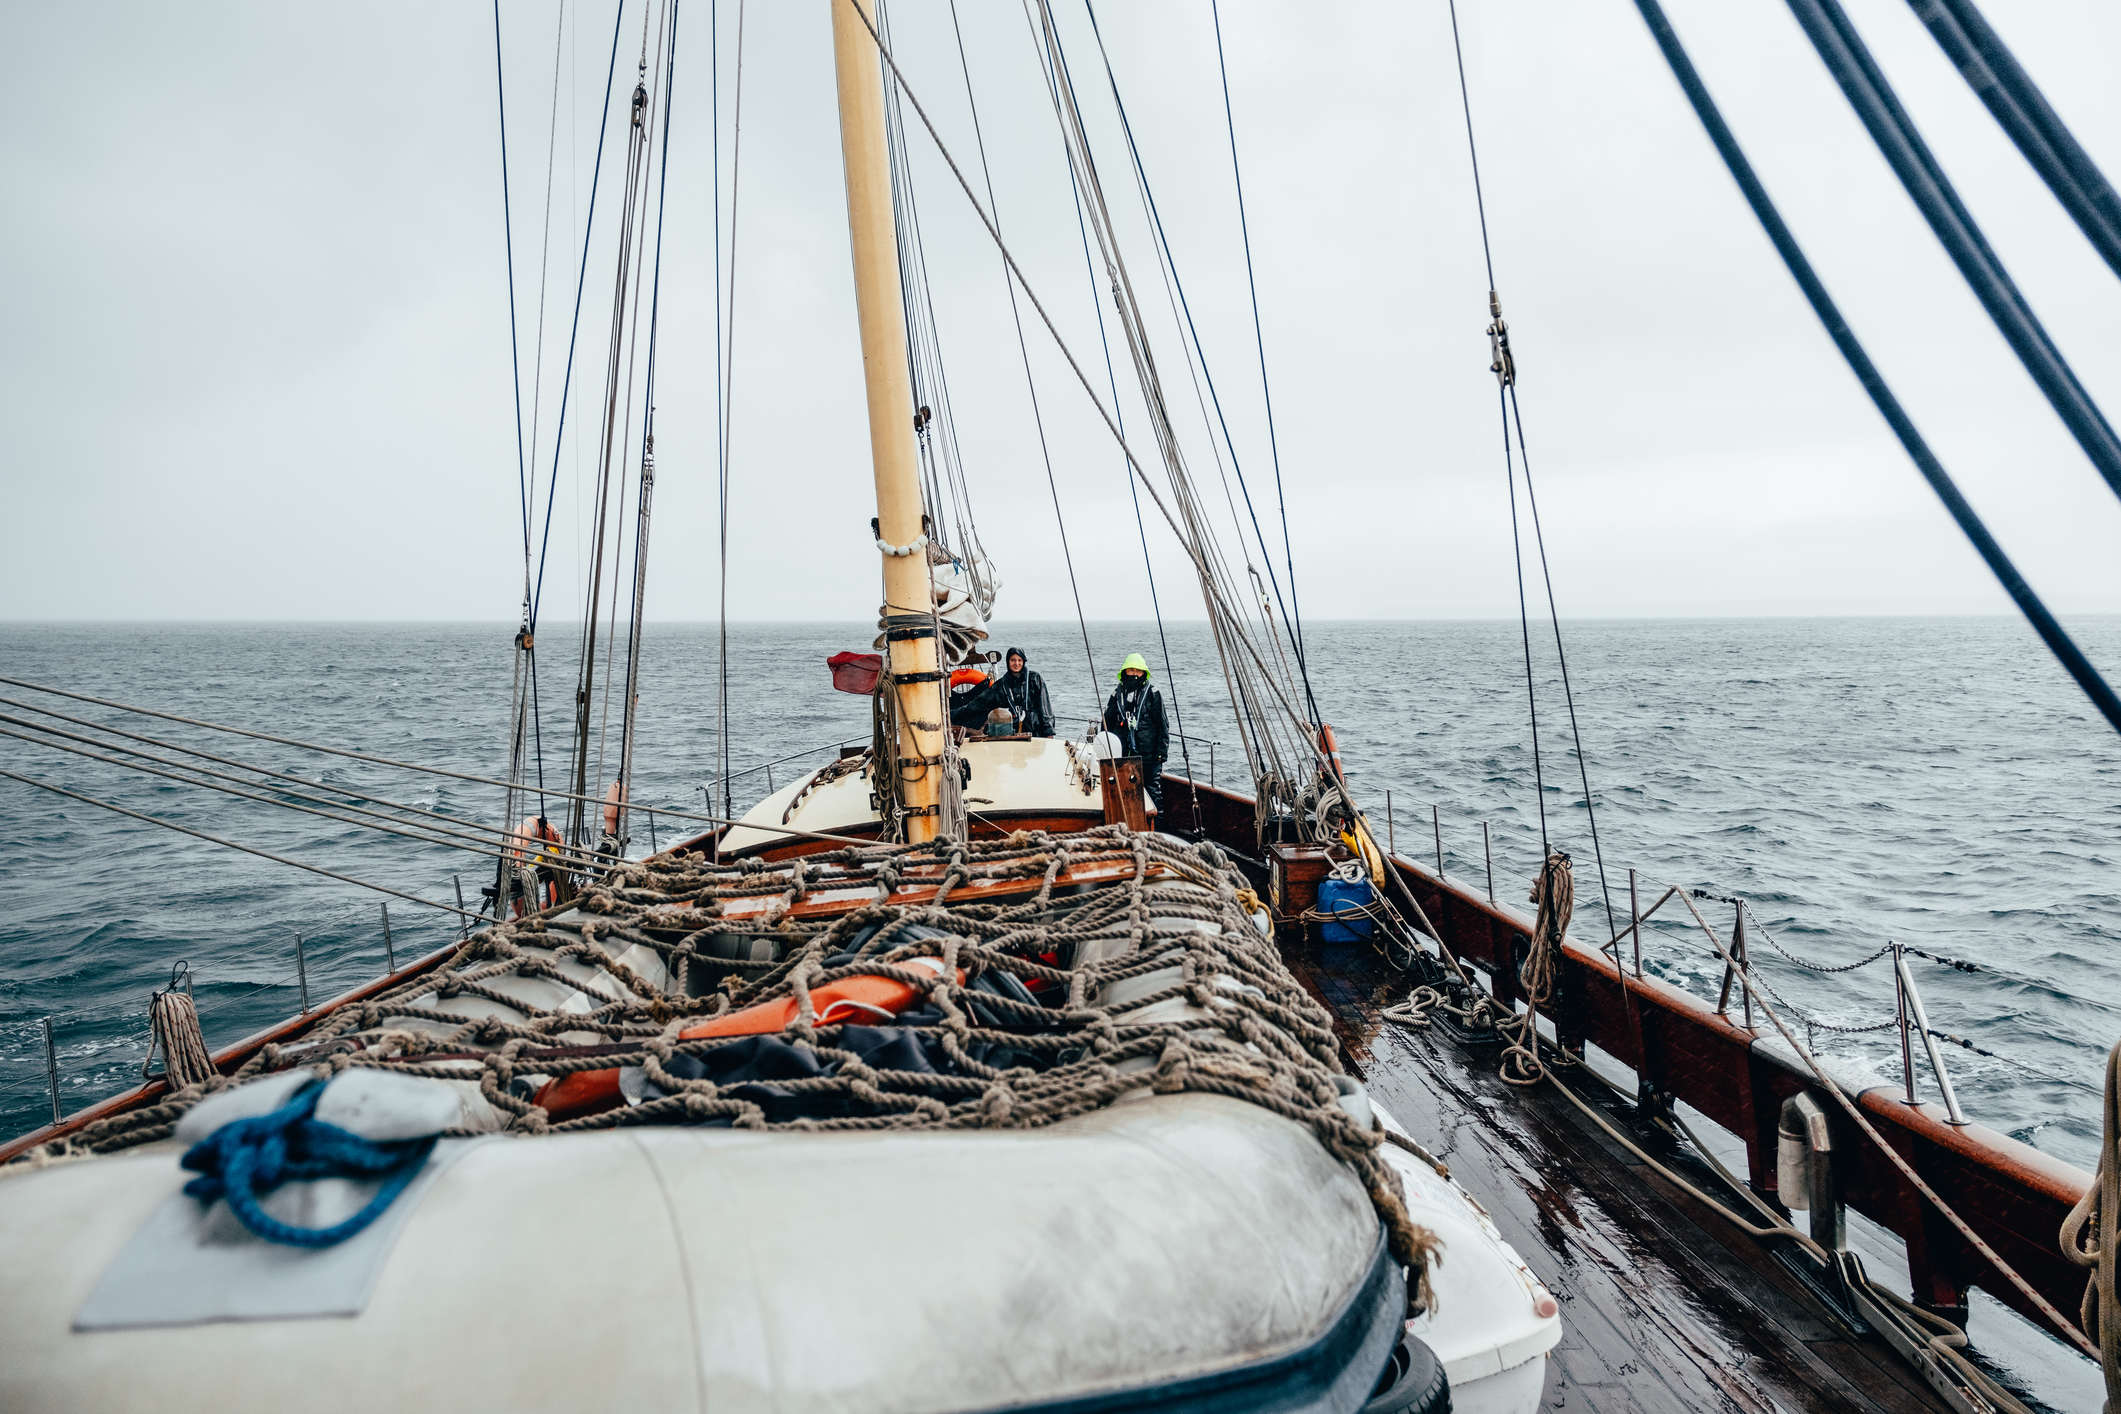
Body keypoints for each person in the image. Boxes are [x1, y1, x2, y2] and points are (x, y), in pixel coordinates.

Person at [1103, 652, 1169, 812]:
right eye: (1130, 670)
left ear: (1143, 672)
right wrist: (1106, 747)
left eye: (1137, 671)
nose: (1134, 674)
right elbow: (1107, 722)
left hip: (1149, 755)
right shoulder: (1116, 695)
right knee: (1123, 789)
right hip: (1123, 753)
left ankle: (1156, 827)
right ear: (1125, 672)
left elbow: (1163, 725)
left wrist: (1161, 752)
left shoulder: (1153, 695)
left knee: (1152, 790)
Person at [990, 647, 1056, 738]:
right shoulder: (1002, 684)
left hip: (1036, 731)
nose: (1016, 664)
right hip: (1012, 732)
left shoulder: (1035, 679)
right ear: (1008, 662)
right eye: (1013, 660)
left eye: (1019, 660)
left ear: (1023, 661)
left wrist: (1049, 732)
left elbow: (1045, 708)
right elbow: (982, 702)